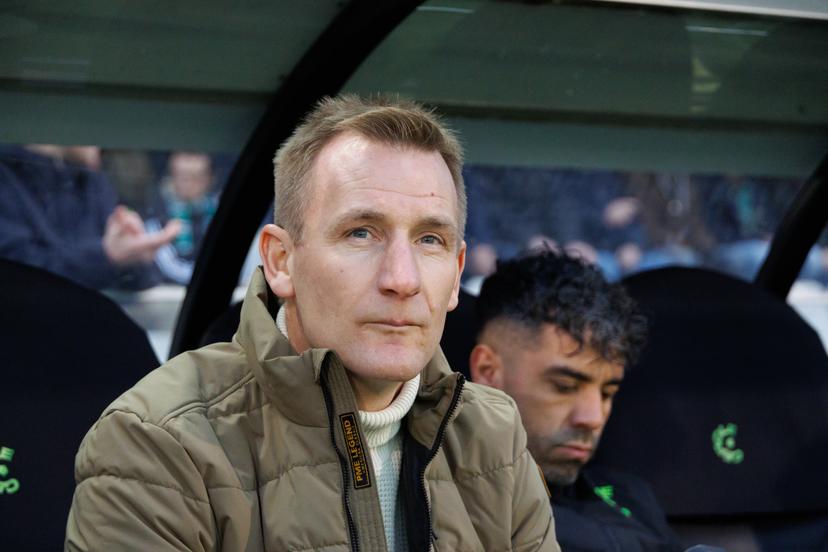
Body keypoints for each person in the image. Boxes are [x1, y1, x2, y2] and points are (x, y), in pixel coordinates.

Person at [66, 95, 559, 551]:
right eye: (361, 233)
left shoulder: (494, 434)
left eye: (430, 240)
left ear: (456, 274)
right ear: (281, 262)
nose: (402, 279)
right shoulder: (159, 442)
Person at [470, 250, 683, 552]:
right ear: (488, 372)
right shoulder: (446, 506)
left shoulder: (630, 496)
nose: (593, 418)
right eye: (565, 387)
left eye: (607, 393)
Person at [0, 144, 179, 290]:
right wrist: (107, 256)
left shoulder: (92, 180)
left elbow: (139, 281)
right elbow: (18, 271)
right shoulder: (8, 179)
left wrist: (132, 255)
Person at [146, 150, 219, 284]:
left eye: (197, 178)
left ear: (210, 179)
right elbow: (166, 264)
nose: (190, 184)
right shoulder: (158, 214)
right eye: (184, 178)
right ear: (172, 179)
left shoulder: (220, 209)